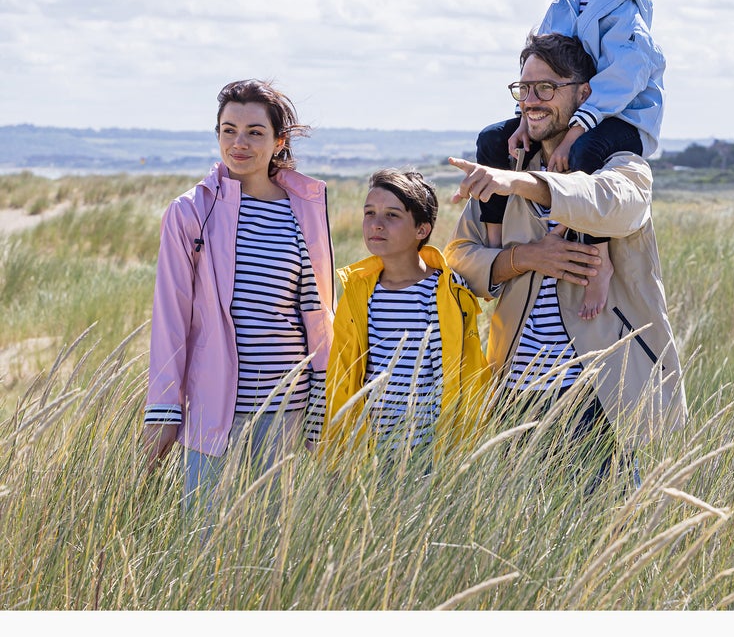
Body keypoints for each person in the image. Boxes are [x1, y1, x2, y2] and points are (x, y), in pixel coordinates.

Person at [447, 34, 686, 485]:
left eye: (546, 88)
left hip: (596, 396)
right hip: (513, 395)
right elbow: (459, 258)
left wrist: (524, 185)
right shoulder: (507, 166)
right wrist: (524, 257)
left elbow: (612, 203)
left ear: (584, 92)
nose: (531, 102)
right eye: (524, 89)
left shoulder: (623, 165)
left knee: (610, 536)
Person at [142, 78, 335, 509]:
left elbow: (316, 312)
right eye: (229, 130)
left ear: (278, 140)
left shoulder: (305, 206)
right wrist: (163, 412)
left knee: (270, 557)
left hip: (290, 410)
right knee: (205, 549)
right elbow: (170, 318)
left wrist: (322, 404)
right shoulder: (189, 211)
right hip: (214, 414)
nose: (239, 142)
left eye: (254, 132)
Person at [477, 0, 666, 321]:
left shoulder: (627, 14)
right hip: (570, 114)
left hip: (621, 118)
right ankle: (495, 240)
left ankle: (597, 259)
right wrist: (527, 120)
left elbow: (625, 79)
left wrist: (576, 128)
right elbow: (539, 64)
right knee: (492, 139)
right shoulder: (561, 7)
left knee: (583, 156)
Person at [320, 169, 490, 464]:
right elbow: (343, 373)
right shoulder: (359, 291)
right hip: (370, 451)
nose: (376, 224)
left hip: (431, 449)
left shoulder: (445, 292)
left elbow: (462, 373)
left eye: (392, 215)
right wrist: (335, 447)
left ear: (421, 229)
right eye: (369, 213)